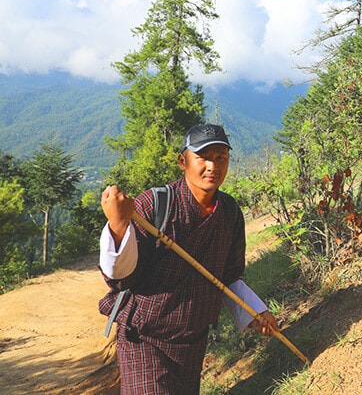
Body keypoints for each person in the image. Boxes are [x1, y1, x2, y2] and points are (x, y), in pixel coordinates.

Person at [98, 124, 280, 393]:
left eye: (221, 158)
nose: (212, 166)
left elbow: (228, 277)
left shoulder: (229, 213)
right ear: (183, 161)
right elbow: (118, 277)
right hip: (143, 337)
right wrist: (117, 225)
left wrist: (255, 312)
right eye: (203, 157)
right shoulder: (155, 204)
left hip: (192, 340)